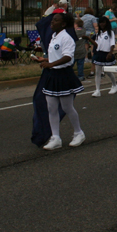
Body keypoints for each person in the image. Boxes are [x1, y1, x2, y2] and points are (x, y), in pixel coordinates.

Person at [36, 12, 85, 150]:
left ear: (63, 24)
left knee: (66, 107)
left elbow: (68, 57)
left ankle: (78, 133)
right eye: (52, 20)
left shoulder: (66, 38)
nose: (52, 23)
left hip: (64, 75)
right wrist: (45, 60)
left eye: (55, 21)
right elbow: (56, 56)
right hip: (53, 75)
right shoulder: (53, 36)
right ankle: (55, 137)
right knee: (51, 107)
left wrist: (51, 64)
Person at [90, 16, 117, 97]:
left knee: (108, 72)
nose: (102, 24)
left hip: (107, 54)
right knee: (98, 72)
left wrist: (110, 53)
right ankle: (97, 90)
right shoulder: (98, 34)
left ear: (106, 23)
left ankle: (114, 85)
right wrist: (89, 39)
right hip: (99, 54)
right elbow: (96, 44)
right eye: (100, 22)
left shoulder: (110, 32)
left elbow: (112, 44)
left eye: (103, 22)